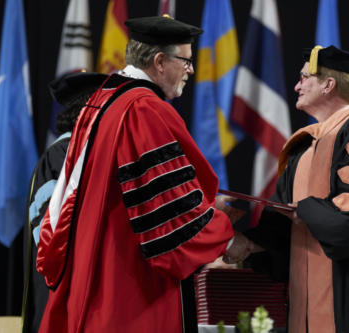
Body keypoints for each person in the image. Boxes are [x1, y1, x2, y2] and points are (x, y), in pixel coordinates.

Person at [35, 16, 236, 333]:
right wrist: (220, 224)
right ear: (159, 61)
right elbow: (170, 225)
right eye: (185, 60)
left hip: (92, 269)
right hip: (130, 289)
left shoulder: (101, 101)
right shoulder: (143, 109)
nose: (191, 71)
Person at [225, 45, 349, 333]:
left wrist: (308, 209)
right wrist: (249, 243)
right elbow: (285, 225)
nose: (296, 86)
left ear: (328, 85)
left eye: (304, 77)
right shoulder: (303, 146)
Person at [23, 71, 108, 333]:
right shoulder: (62, 156)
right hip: (62, 303)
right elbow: (51, 239)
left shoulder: (86, 155)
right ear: (89, 112)